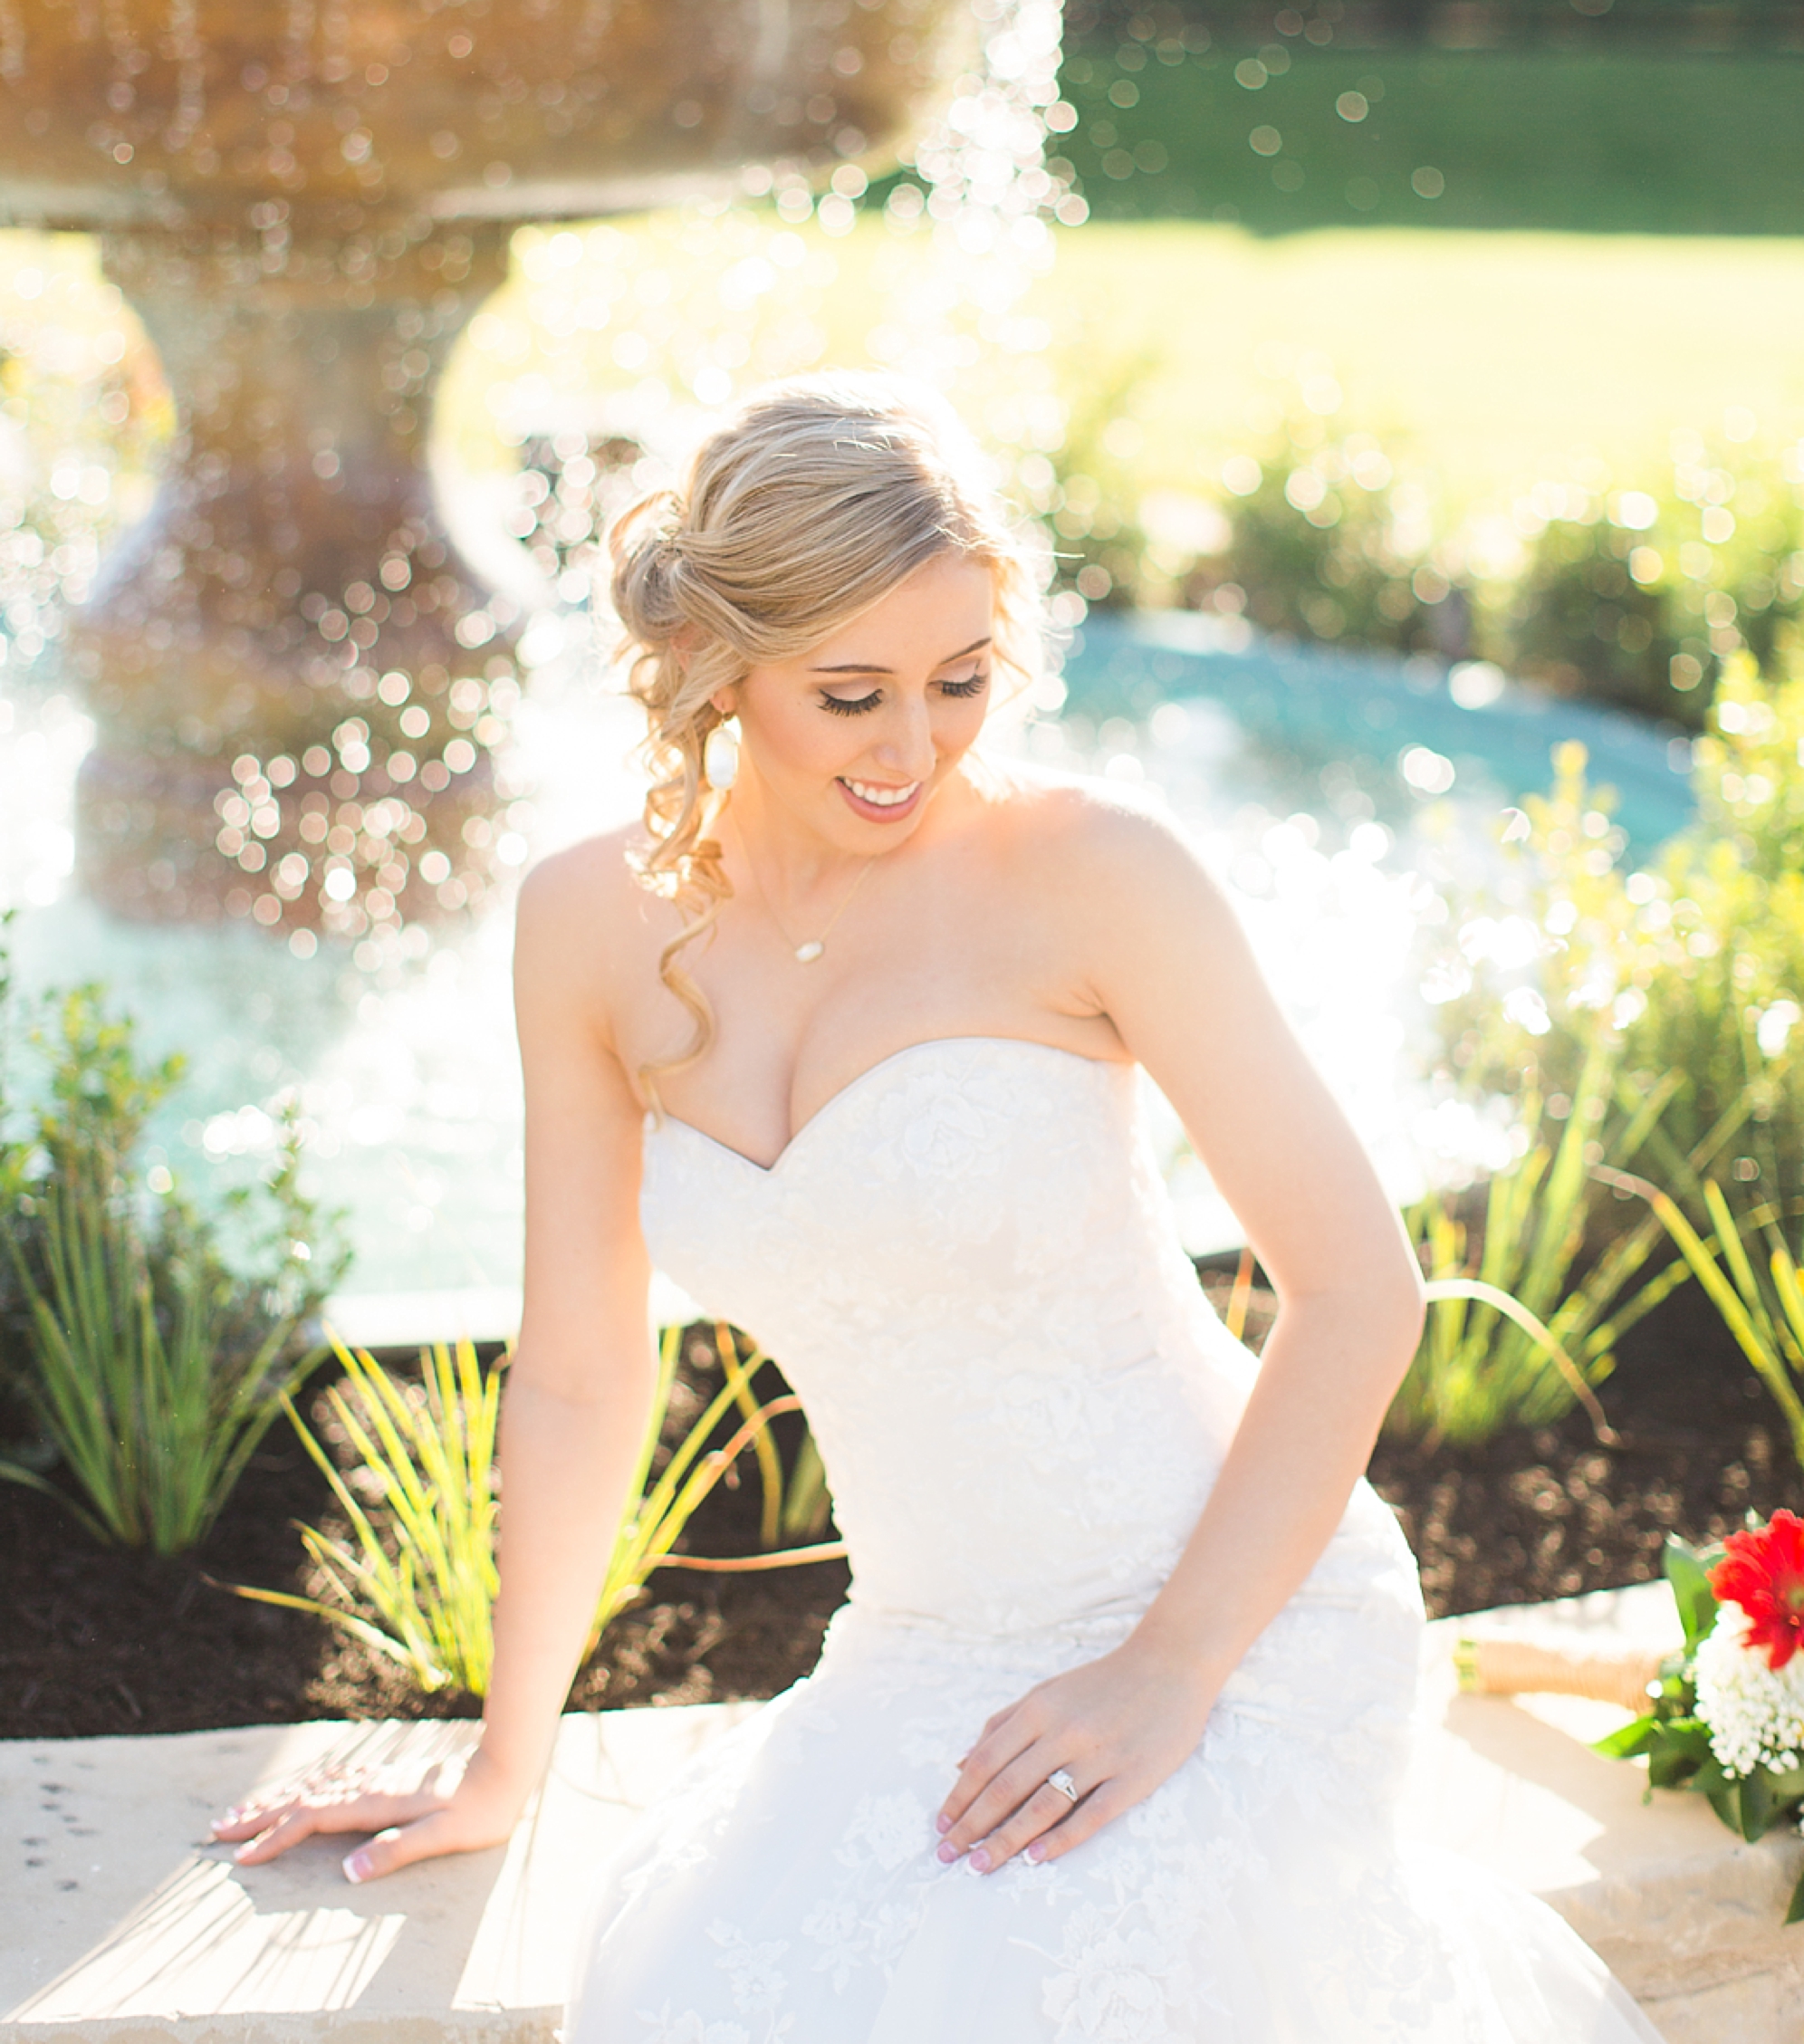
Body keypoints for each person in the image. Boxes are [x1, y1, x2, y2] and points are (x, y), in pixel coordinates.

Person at [214, 372, 1661, 2041]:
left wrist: (1168, 1668)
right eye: (851, 695)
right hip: (916, 1651)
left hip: (1237, 1615)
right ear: (715, 669)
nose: (914, 747)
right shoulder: (587, 926)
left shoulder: (1095, 874)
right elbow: (580, 1371)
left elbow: (1357, 1290)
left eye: (961, 680)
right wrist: (504, 1755)